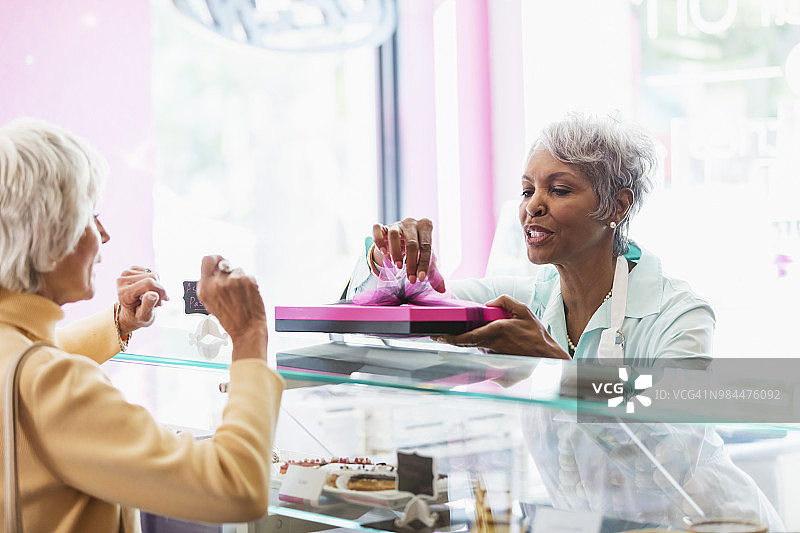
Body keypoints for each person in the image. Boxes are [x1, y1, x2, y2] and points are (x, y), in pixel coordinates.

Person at [346, 112, 784, 529]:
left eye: (558, 189)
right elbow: (397, 316)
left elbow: (669, 458)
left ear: (616, 205)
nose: (533, 206)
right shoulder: (527, 298)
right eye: (526, 190)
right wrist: (391, 263)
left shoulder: (677, 314)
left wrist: (556, 365)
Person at [0, 118, 285, 532]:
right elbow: (236, 485)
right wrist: (249, 337)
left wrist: (119, 322)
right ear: (48, 233)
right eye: (90, 216)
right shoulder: (54, 384)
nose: (105, 235)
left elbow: (31, 359)